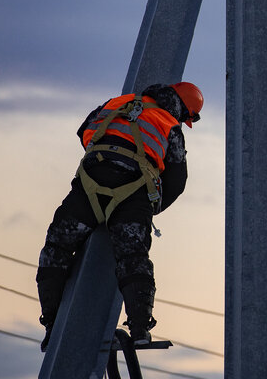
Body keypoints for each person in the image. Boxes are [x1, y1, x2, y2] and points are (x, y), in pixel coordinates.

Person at [36, 81, 203, 349]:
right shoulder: (170, 125)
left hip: (90, 181)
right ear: (183, 108)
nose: (184, 121)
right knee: (133, 255)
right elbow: (177, 180)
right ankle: (139, 329)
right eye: (187, 116)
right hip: (133, 191)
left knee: (57, 246)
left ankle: (53, 324)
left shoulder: (117, 103)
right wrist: (150, 208)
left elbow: (84, 132)